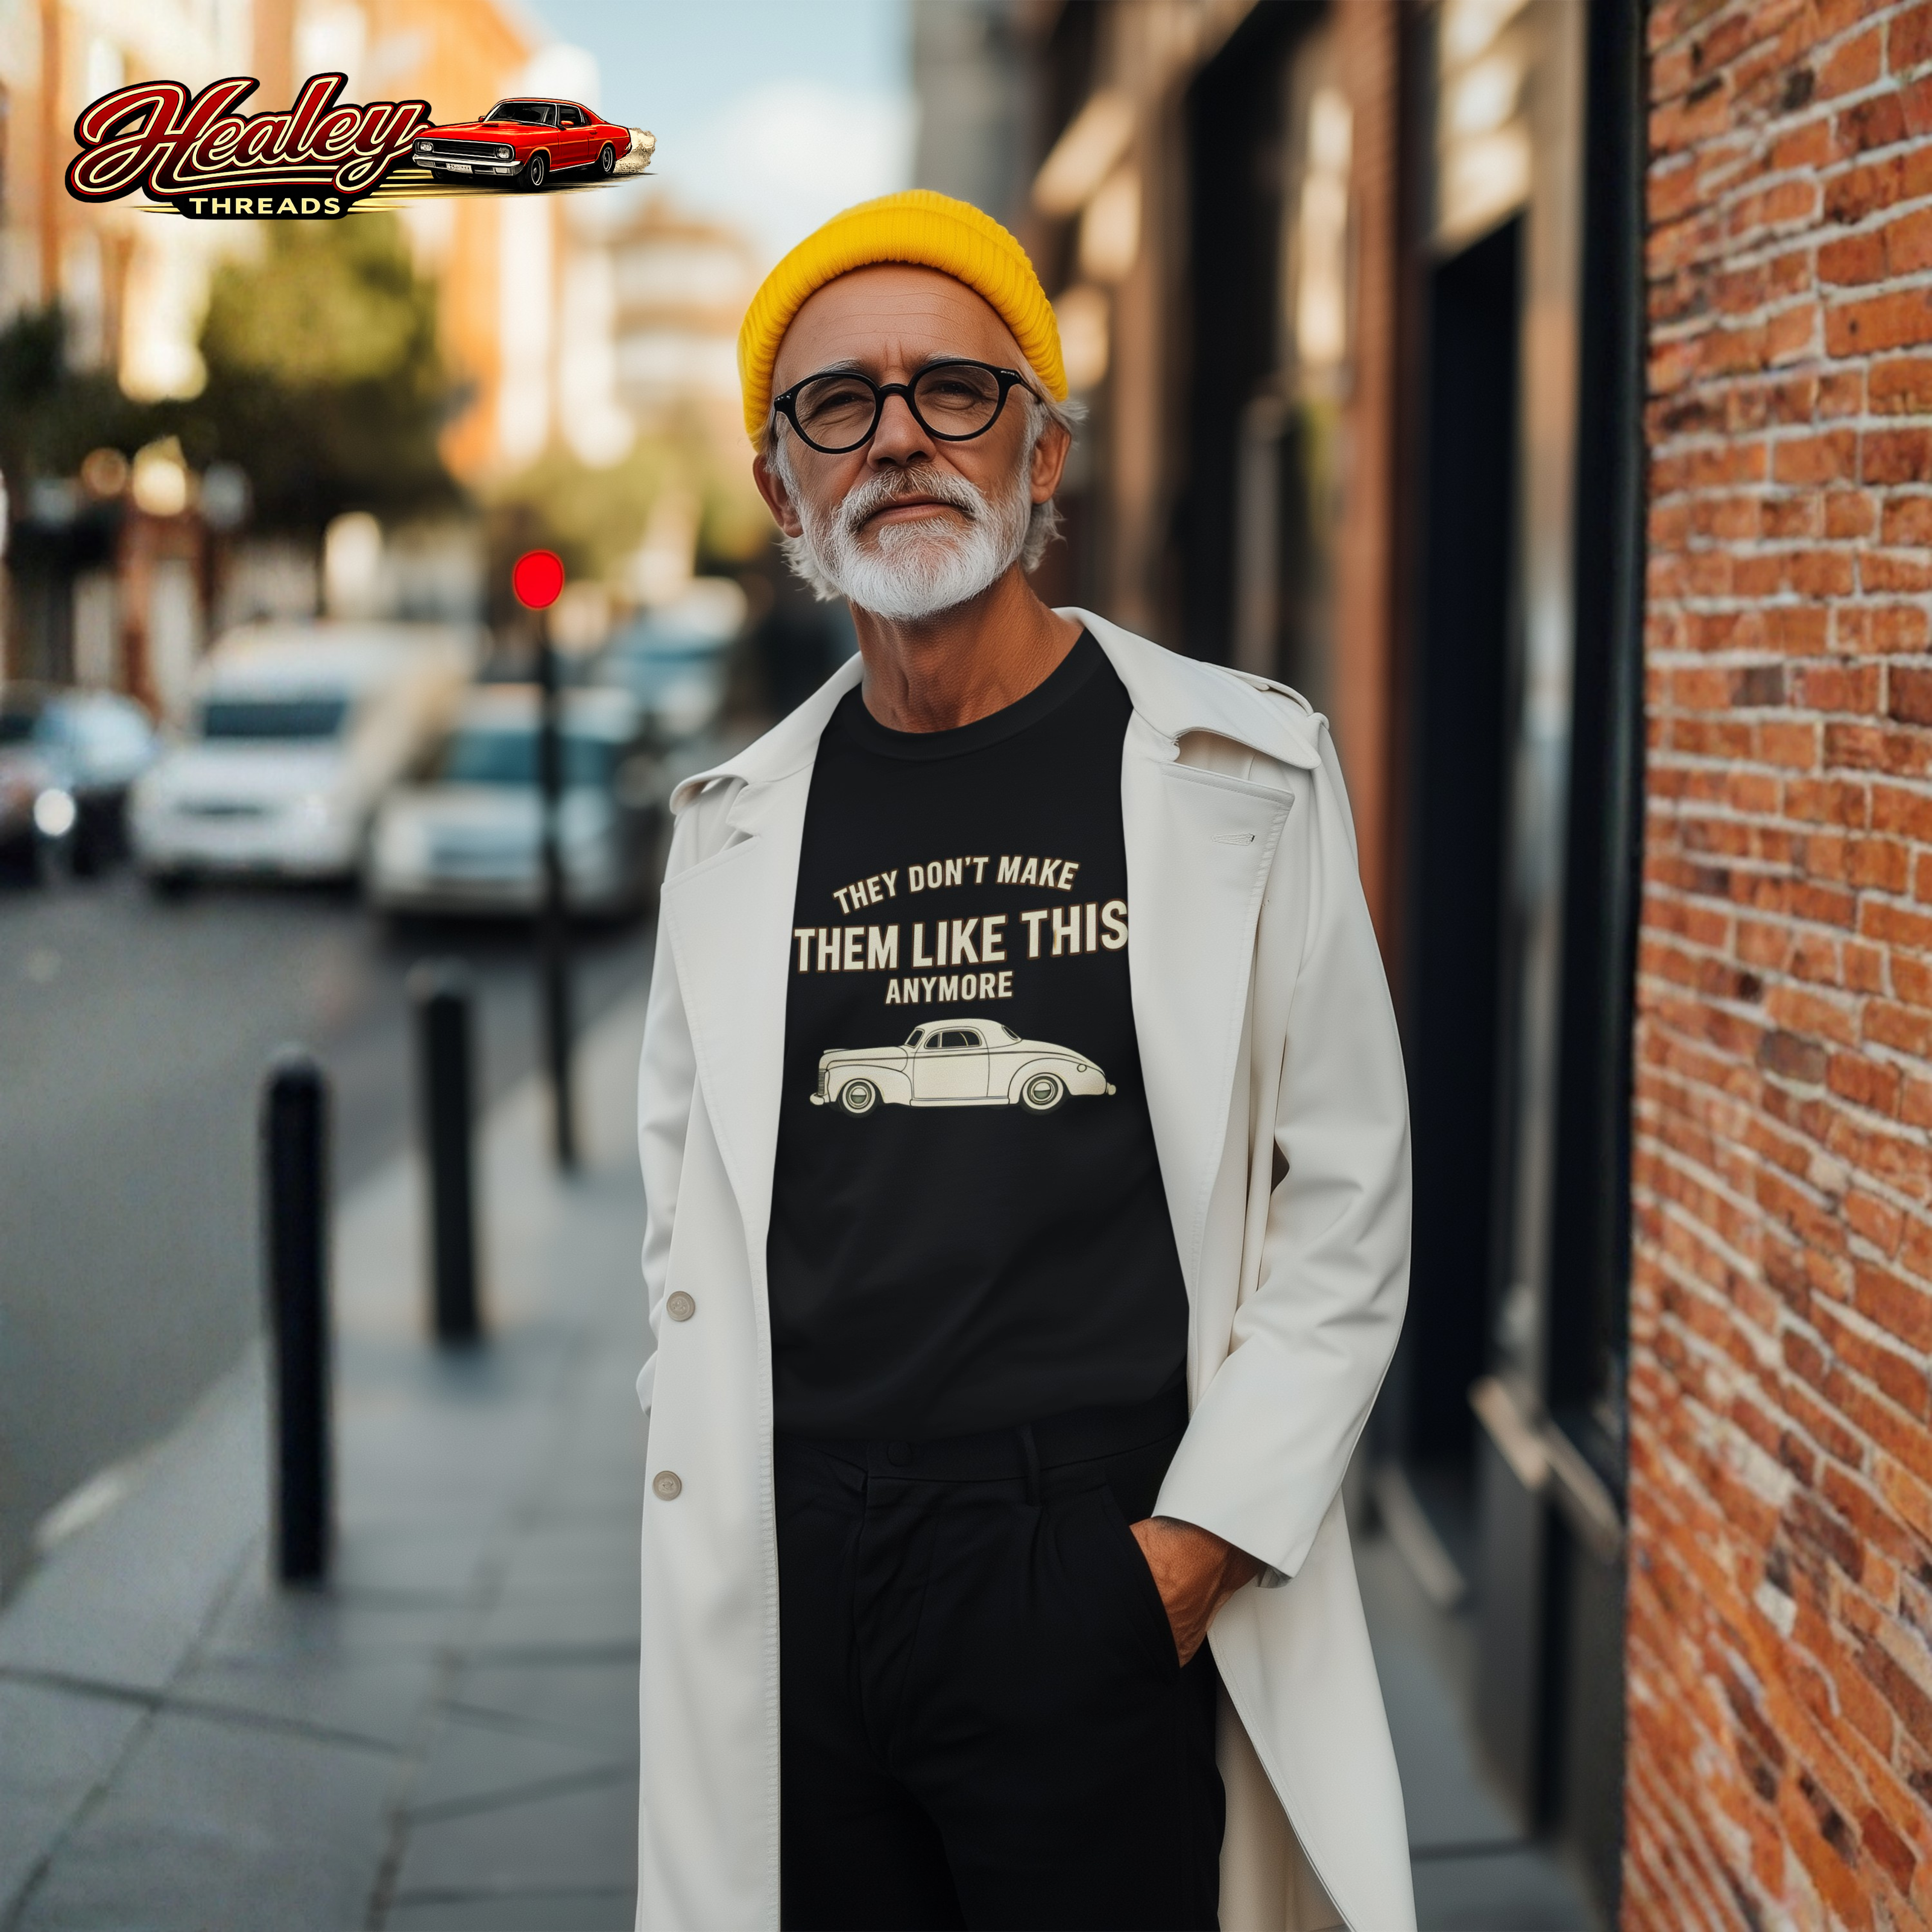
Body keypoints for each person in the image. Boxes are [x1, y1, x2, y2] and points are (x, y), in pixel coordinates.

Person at [635, 189, 1414, 1932]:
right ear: (781, 490)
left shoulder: (1239, 771)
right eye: (839, 403)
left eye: (955, 389)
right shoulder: (732, 827)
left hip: (1088, 1553)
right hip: (795, 1569)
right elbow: (683, 1213)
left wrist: (1185, 1560)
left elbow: (1349, 1204)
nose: (898, 437)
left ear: (1041, 452)